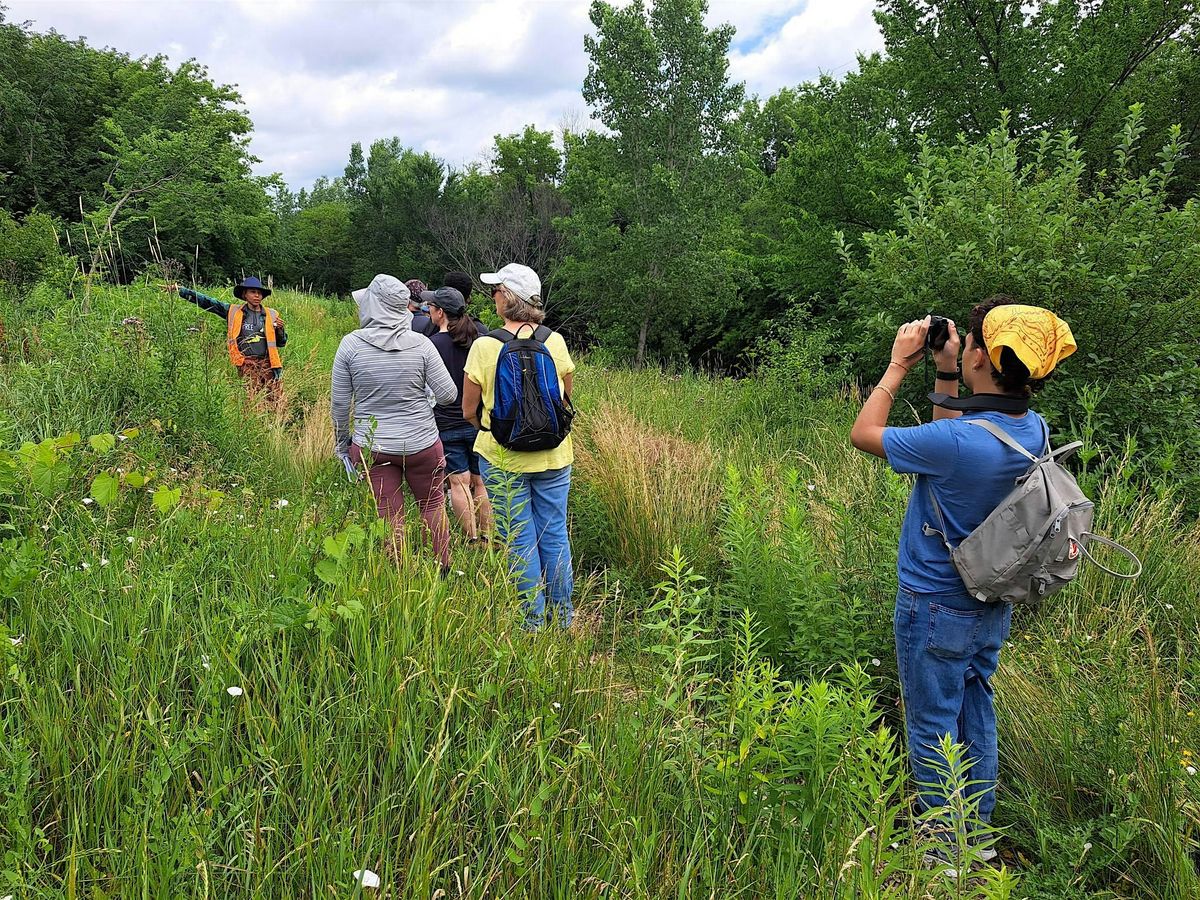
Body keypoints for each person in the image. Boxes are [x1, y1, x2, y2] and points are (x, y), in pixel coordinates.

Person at [850, 296, 1077, 852]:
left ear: (982, 357)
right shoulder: (1029, 428)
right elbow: (950, 441)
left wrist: (900, 364)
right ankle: (976, 837)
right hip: (990, 597)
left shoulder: (957, 443)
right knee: (974, 707)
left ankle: (942, 850)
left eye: (970, 343)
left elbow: (864, 433)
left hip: (933, 603)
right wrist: (948, 371)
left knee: (931, 724)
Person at [461, 263, 576, 629]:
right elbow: (565, 399)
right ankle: (563, 618)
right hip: (555, 454)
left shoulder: (485, 345)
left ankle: (532, 621)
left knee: (519, 538)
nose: (492, 297)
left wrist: (492, 427)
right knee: (554, 532)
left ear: (507, 298)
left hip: (502, 456)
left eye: (496, 291)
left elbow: (469, 410)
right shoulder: (553, 341)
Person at [332, 274, 458, 574]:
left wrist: (342, 445)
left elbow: (339, 405)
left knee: (388, 511)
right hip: (421, 442)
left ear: (372, 306)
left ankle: (399, 573)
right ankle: (442, 568)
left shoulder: (350, 345)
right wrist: (423, 401)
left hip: (373, 445)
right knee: (431, 505)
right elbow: (448, 395)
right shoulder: (421, 345)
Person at [421, 285, 494, 543]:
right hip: (477, 419)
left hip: (446, 422)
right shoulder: (478, 339)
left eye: (431, 307)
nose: (427, 310)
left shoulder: (431, 345)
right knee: (481, 481)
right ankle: (488, 537)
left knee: (458, 483)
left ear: (441, 313)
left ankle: (471, 539)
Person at [163, 276, 287, 409]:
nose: (257, 295)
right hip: (247, 363)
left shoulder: (271, 314)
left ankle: (276, 425)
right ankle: (253, 425)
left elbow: (281, 342)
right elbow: (208, 302)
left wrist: (280, 330)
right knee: (251, 400)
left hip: (268, 364)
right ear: (245, 294)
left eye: (259, 292)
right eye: (252, 292)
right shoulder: (233, 311)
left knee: (275, 400)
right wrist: (181, 290)